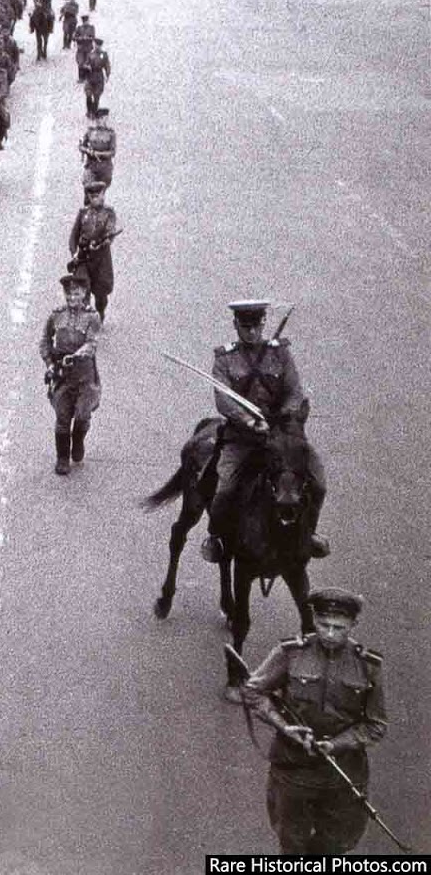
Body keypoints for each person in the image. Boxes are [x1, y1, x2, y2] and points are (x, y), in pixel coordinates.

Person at [243, 588, 386, 856]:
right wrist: (283, 726)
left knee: (335, 846)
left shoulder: (368, 665)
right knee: (291, 844)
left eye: (338, 627)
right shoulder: (291, 653)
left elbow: (376, 725)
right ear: (313, 620)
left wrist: (336, 744)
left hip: (343, 775)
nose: (329, 634)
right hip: (294, 769)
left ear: (353, 624)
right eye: (323, 624)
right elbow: (253, 691)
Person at [202, 301, 315, 564]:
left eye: (256, 326)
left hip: (279, 437)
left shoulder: (280, 353)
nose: (251, 332)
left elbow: (294, 391)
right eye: (245, 327)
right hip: (241, 439)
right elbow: (223, 401)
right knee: (225, 487)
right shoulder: (224, 358)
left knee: (315, 480)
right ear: (236, 326)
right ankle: (216, 537)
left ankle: (310, 534)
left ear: (263, 323)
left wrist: (282, 417)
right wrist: (250, 422)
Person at [40, 271, 102, 476]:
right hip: (63, 377)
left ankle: (78, 440)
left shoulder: (92, 317)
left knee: (83, 415)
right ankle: (62, 457)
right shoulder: (56, 315)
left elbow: (91, 344)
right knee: (62, 417)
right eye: (68, 294)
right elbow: (45, 341)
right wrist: (49, 363)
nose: (72, 298)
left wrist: (75, 356)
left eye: (76, 293)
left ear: (84, 294)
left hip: (84, 376)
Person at [67, 179, 120, 320]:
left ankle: (100, 313)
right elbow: (73, 237)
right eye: (92, 196)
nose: (95, 198)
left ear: (103, 194)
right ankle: (86, 320)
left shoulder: (109, 213)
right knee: (83, 288)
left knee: (101, 294)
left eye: (98, 195)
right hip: (83, 259)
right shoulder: (83, 213)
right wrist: (74, 254)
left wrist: (101, 244)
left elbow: (110, 232)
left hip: (101, 260)